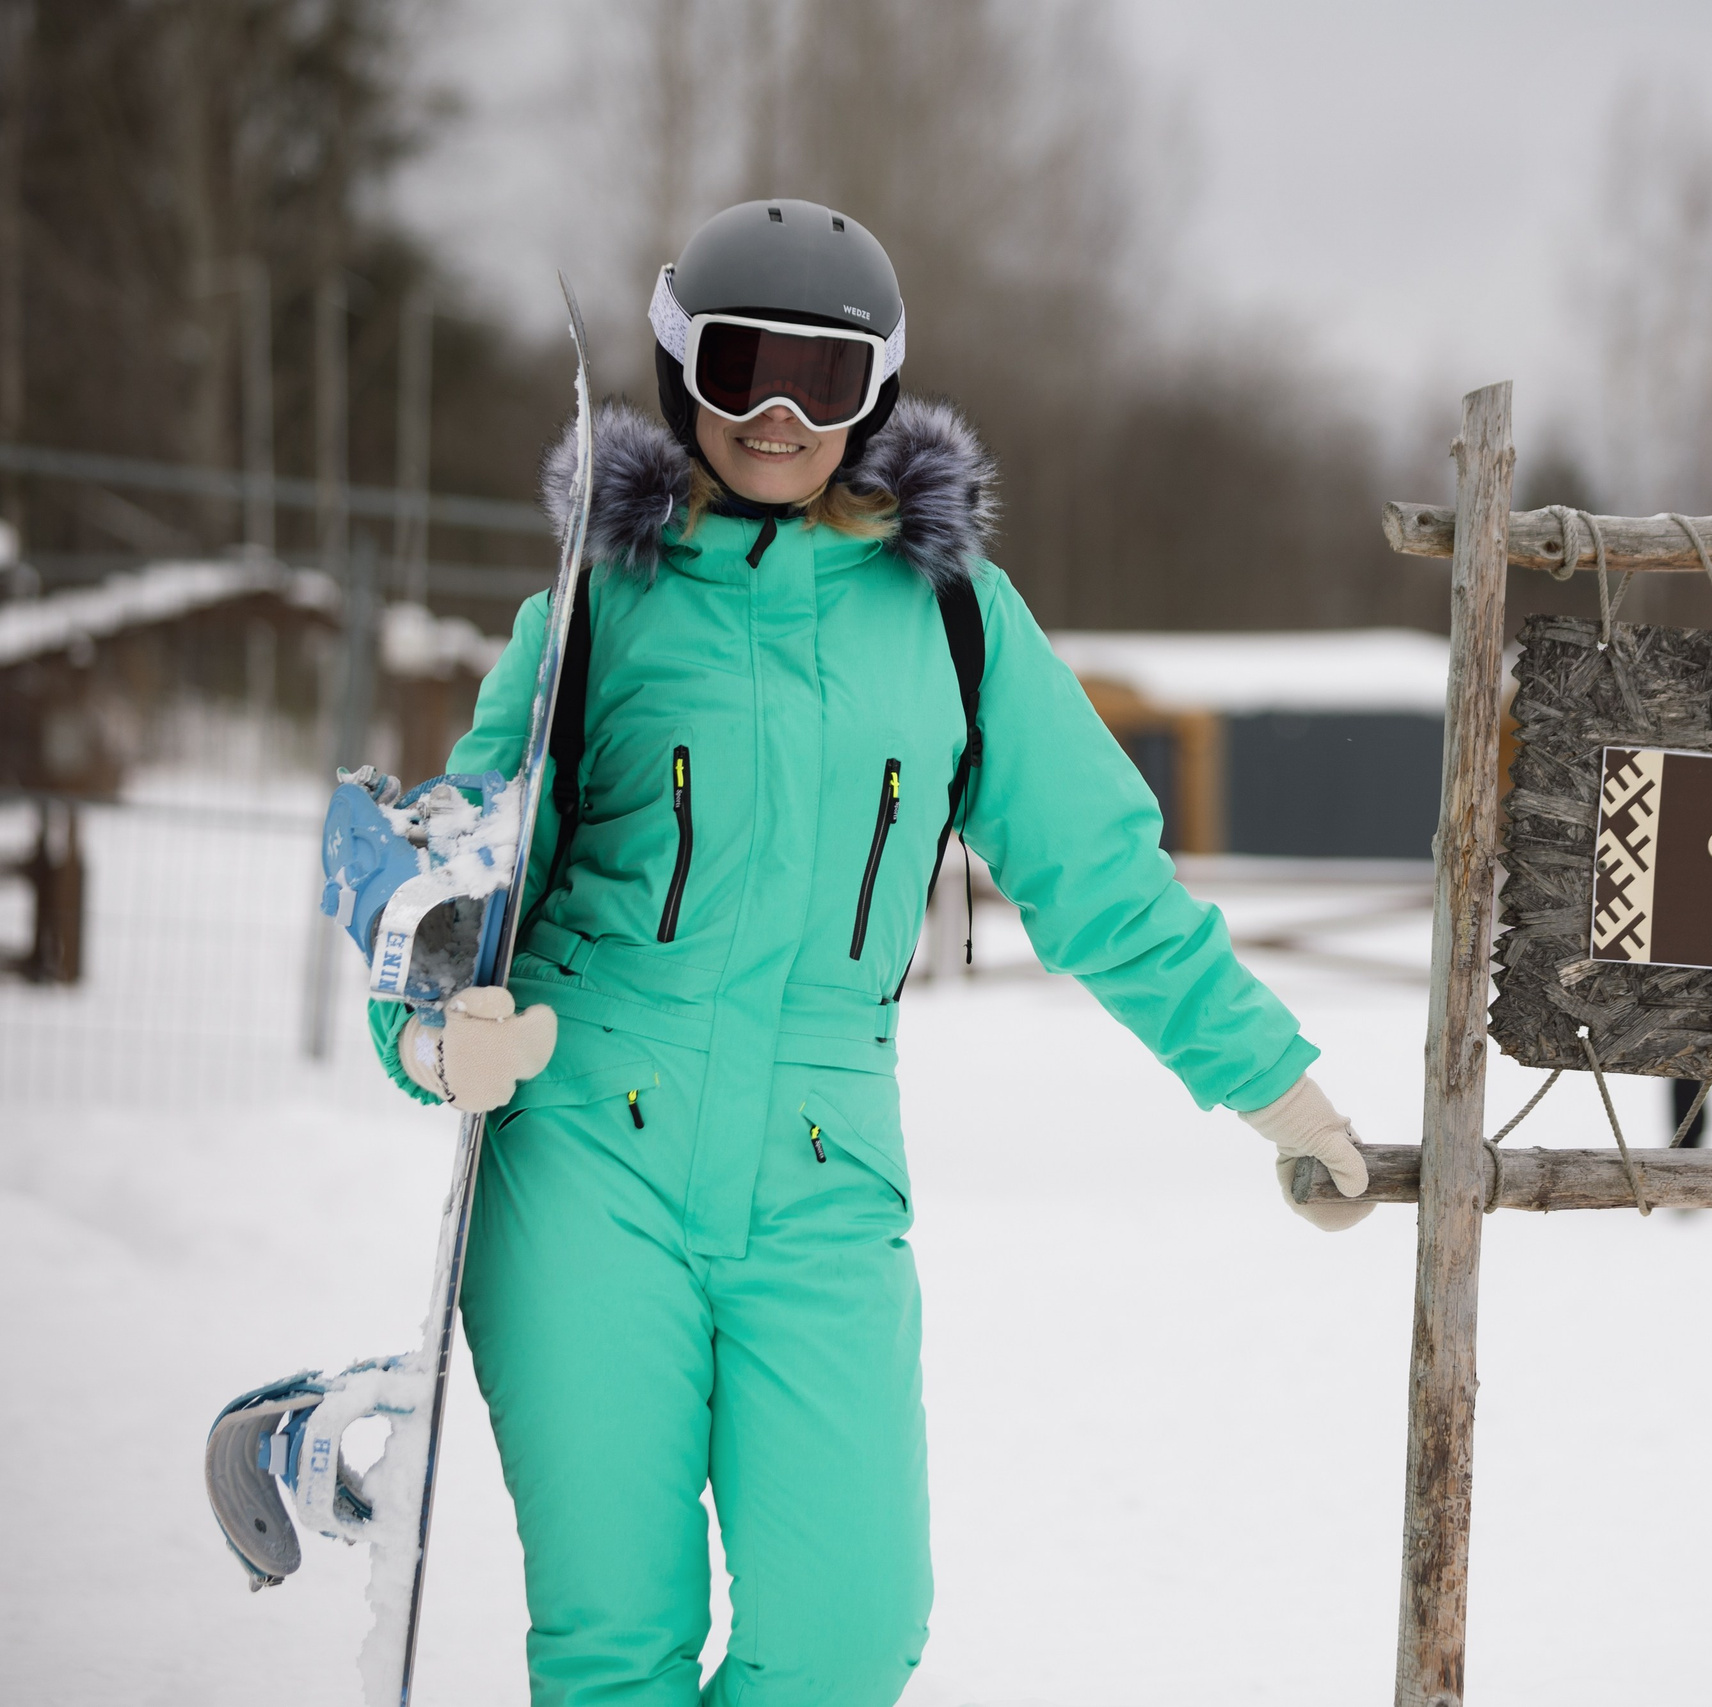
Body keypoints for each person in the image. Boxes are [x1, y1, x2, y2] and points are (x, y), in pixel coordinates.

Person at [368, 198, 1374, 1706]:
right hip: (585, 1156)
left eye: (823, 378)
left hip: (824, 1173)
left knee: (850, 1633)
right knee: (615, 1643)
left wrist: (1279, 1091)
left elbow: (1105, 882)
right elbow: (447, 877)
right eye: (742, 368)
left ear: (878, 392)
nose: (778, 415)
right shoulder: (594, 606)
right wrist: (433, 1034)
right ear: (680, 371)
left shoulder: (954, 617)